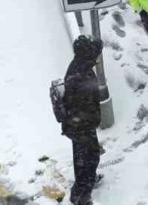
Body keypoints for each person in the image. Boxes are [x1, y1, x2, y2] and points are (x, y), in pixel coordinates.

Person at [62, 36, 102, 205]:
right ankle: (81, 196)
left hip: (78, 125)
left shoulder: (80, 65)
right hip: (80, 126)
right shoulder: (80, 75)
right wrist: (91, 122)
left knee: (83, 158)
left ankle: (86, 184)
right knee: (89, 159)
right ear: (88, 54)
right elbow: (84, 105)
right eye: (95, 54)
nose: (97, 58)